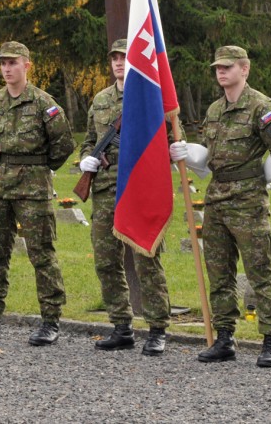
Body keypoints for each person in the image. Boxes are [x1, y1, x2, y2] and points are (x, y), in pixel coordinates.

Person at [172, 46, 271, 368]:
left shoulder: (261, 108)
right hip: (216, 200)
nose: (221, 72)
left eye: (227, 67)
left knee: (260, 273)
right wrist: (192, 156)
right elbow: (210, 157)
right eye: (217, 68)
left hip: (248, 202)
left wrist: (268, 175)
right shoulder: (213, 110)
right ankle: (225, 338)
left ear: (245, 69)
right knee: (219, 273)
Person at [0, 41, 75, 345]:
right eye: (3, 63)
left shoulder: (43, 103)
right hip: (0, 188)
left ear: (27, 65)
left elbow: (63, 145)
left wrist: (37, 166)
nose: (7, 68)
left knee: (42, 254)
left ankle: (50, 320)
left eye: (13, 62)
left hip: (34, 188)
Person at [79, 38, 178, 356]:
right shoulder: (101, 99)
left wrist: (176, 151)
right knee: (106, 261)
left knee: (147, 261)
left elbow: (170, 137)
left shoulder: (150, 97)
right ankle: (121, 326)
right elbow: (89, 140)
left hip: (139, 191)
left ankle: (157, 329)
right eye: (115, 58)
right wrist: (86, 160)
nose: (119, 63)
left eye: (125, 57)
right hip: (106, 191)